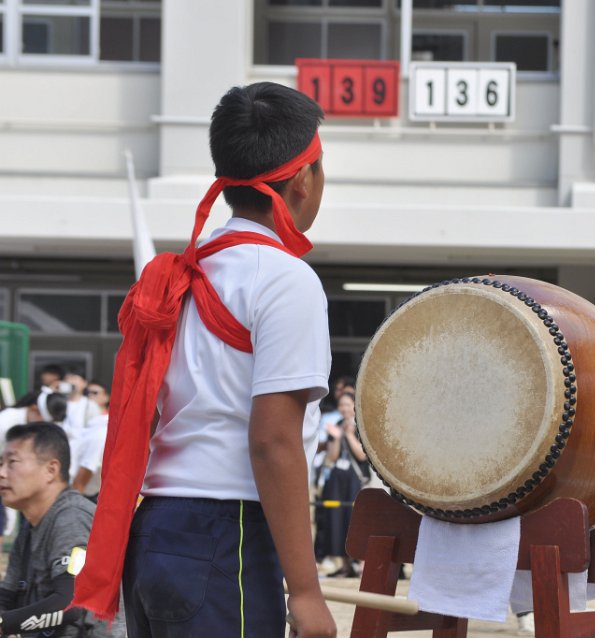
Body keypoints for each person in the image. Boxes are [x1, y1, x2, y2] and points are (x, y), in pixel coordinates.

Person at [72, 82, 337, 638]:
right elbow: (273, 441)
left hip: (157, 528)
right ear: (303, 179)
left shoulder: (188, 272)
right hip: (228, 531)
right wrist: (306, 591)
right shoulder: (286, 280)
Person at [0, 422, 108, 637]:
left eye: (12, 463)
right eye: (1, 463)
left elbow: (71, 603)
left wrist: (5, 624)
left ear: (51, 470)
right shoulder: (30, 526)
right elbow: (6, 597)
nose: (2, 473)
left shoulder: (71, 516)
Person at [315, 392, 367, 576]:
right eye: (341, 405)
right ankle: (344, 564)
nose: (344, 408)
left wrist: (349, 435)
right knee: (338, 518)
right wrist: (336, 437)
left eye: (348, 404)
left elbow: (362, 455)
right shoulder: (336, 425)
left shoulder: (362, 425)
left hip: (355, 479)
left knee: (356, 519)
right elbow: (332, 457)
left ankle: (361, 563)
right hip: (338, 478)